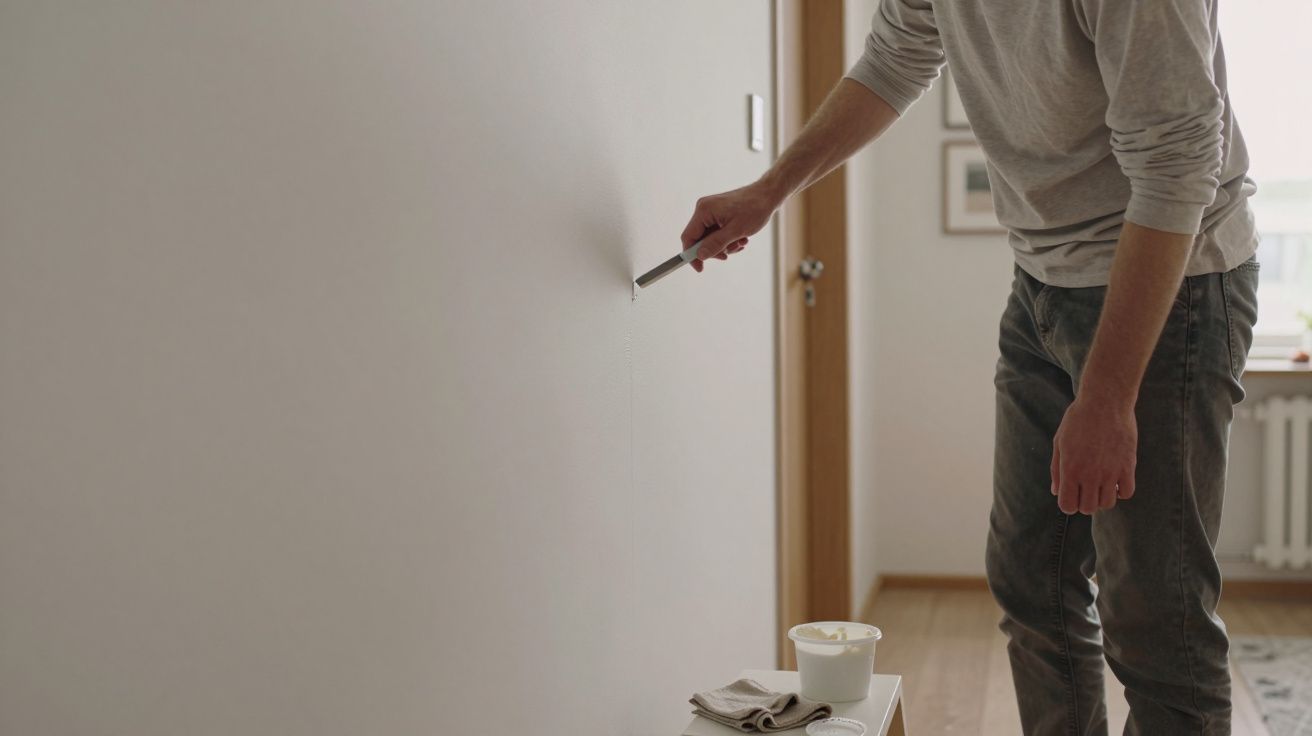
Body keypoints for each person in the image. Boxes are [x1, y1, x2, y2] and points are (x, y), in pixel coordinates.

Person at [680, 1, 1258, 733]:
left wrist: (1109, 398)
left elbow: (1179, 165)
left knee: (1155, 621)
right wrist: (769, 191)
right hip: (1042, 281)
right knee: (1031, 586)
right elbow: (893, 62)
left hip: (1172, 287)